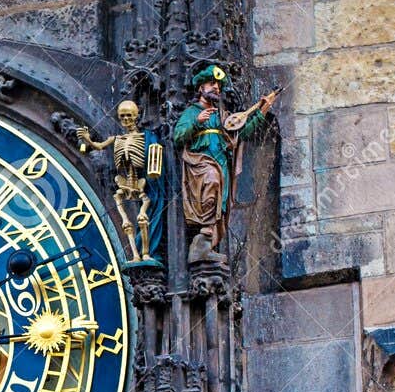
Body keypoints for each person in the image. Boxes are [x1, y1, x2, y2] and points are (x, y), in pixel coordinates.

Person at [173, 64, 277, 264]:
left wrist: (263, 109)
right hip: (201, 164)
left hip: (222, 165)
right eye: (212, 84)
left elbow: (242, 133)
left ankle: (205, 245)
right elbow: (178, 137)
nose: (216, 88)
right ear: (201, 88)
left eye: (219, 85)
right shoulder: (192, 112)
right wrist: (196, 122)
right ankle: (201, 242)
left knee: (220, 203)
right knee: (210, 183)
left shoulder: (223, 115)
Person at [78, 100, 163, 266]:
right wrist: (87, 139)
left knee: (142, 218)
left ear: (136, 117)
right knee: (127, 223)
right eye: (122, 116)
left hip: (141, 182)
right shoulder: (116, 138)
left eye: (129, 116)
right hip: (123, 182)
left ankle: (145, 252)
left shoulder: (145, 137)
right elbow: (98, 146)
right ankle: (136, 255)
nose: (125, 120)